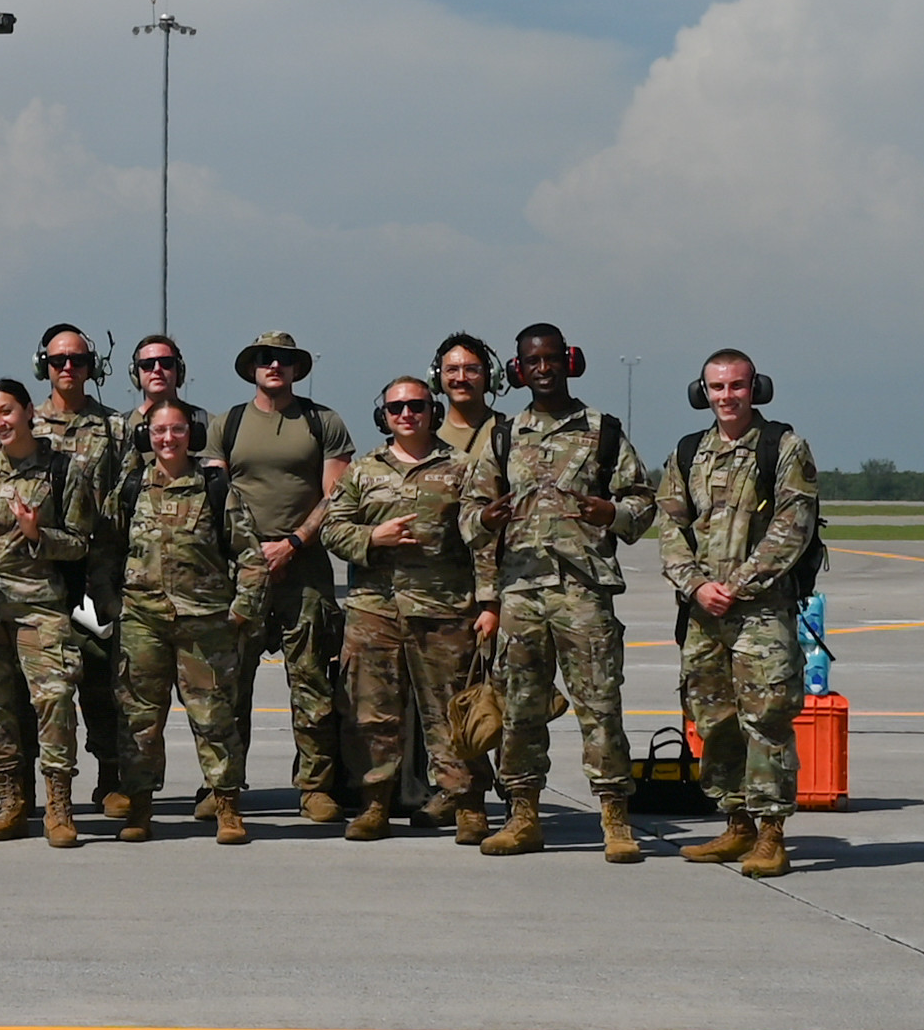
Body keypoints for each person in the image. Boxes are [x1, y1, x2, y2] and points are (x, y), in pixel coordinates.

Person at [481, 322, 657, 863]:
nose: (542, 368)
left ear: (569, 361)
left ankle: (614, 817)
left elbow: (643, 500)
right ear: (517, 370)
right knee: (520, 710)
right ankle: (523, 814)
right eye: (531, 361)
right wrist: (484, 518)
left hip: (584, 590)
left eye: (551, 358)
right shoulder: (503, 435)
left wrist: (615, 513)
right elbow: (470, 510)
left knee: (601, 705)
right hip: (521, 591)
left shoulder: (603, 431)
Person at [658, 348, 814, 880]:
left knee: (766, 719)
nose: (727, 397)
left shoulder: (784, 448)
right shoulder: (686, 453)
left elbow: (793, 527)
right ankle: (736, 821)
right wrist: (697, 587)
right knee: (714, 721)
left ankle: (771, 832)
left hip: (761, 614)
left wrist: (738, 585)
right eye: (717, 388)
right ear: (703, 393)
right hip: (704, 615)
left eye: (737, 386)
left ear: (756, 388)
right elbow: (670, 531)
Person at [323, 376, 497, 843]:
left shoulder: (461, 468)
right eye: (397, 407)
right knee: (372, 712)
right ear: (384, 414)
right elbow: (332, 529)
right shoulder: (364, 471)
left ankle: (467, 803)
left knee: (452, 713)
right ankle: (375, 803)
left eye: (416, 406)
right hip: (374, 611)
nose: (406, 415)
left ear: (431, 411)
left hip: (443, 609)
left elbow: (482, 540)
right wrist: (370, 538)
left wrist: (488, 602)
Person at [0, 378, 99, 847]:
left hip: (38, 604)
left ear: (29, 411)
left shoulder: (62, 469)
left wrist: (38, 535)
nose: (0, 423)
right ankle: (12, 801)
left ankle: (59, 805)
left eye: (7, 412)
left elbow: (80, 543)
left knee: (53, 701)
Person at [211, 331, 354, 823]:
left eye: (284, 360)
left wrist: (293, 543)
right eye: (265, 359)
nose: (275, 365)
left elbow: (336, 496)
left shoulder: (323, 422)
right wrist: (253, 554)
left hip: (306, 570)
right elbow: (216, 497)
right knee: (230, 686)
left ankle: (315, 786)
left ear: (297, 368)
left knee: (312, 682)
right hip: (241, 574)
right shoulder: (226, 423)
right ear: (252, 367)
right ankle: (222, 784)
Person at [113, 396, 265, 843]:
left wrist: (242, 609)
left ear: (192, 435)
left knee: (214, 717)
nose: (168, 439)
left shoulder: (216, 488)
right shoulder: (130, 489)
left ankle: (227, 807)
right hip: (143, 622)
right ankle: (140, 808)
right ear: (147, 436)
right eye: (159, 431)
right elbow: (107, 551)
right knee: (139, 718)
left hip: (204, 626)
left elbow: (250, 556)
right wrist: (109, 603)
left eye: (177, 430)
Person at [31, 324, 129, 816]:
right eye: (57, 360)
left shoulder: (114, 428)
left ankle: (110, 777)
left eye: (77, 359)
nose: (67, 368)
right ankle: (28, 788)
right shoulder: (25, 427)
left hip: (95, 575)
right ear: (43, 366)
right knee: (34, 682)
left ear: (93, 367)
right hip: (39, 577)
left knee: (101, 680)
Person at [433, 333, 507, 471]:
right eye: (452, 370)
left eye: (471, 370)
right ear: (436, 377)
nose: (461, 378)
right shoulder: (424, 439)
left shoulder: (510, 432)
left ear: (489, 376)